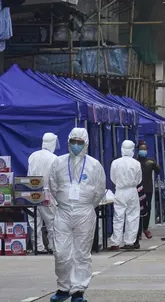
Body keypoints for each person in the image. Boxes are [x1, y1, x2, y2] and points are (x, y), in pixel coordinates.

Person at [48, 128, 106, 302]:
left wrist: (88, 206)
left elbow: (100, 190)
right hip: (63, 211)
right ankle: (63, 288)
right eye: (73, 141)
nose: (76, 145)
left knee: (81, 253)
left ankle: (78, 291)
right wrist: (64, 201)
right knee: (61, 252)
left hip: (85, 212)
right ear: (68, 142)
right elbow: (53, 185)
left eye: (80, 142)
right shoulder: (58, 163)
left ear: (86, 144)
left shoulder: (94, 165)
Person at [28, 132, 59, 254]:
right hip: (47, 193)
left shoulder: (32, 156)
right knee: (51, 221)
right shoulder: (54, 159)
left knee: (34, 222)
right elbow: (55, 179)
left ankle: (38, 246)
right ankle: (53, 245)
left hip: (31, 193)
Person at [109, 140, 143, 251]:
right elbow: (139, 179)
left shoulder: (115, 163)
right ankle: (130, 241)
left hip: (119, 190)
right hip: (132, 191)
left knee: (118, 216)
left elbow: (112, 178)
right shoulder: (136, 163)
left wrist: (119, 184)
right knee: (132, 216)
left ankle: (116, 242)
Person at [135, 141, 160, 240]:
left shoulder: (150, 161)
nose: (143, 151)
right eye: (141, 149)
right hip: (137, 189)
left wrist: (154, 164)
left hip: (148, 189)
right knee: (137, 210)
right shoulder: (135, 162)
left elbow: (158, 170)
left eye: (144, 149)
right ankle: (138, 230)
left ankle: (145, 228)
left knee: (147, 209)